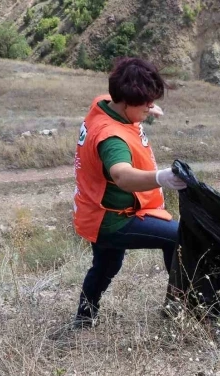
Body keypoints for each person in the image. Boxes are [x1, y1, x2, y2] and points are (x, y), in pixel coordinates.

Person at [71, 57, 186, 330]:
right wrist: (162, 178)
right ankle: (178, 306)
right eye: (144, 103)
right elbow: (121, 175)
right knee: (180, 238)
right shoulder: (111, 139)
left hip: (94, 211)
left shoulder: (105, 104)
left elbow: (127, 112)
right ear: (125, 102)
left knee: (106, 266)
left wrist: (147, 110)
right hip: (113, 220)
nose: (149, 107)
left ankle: (84, 319)